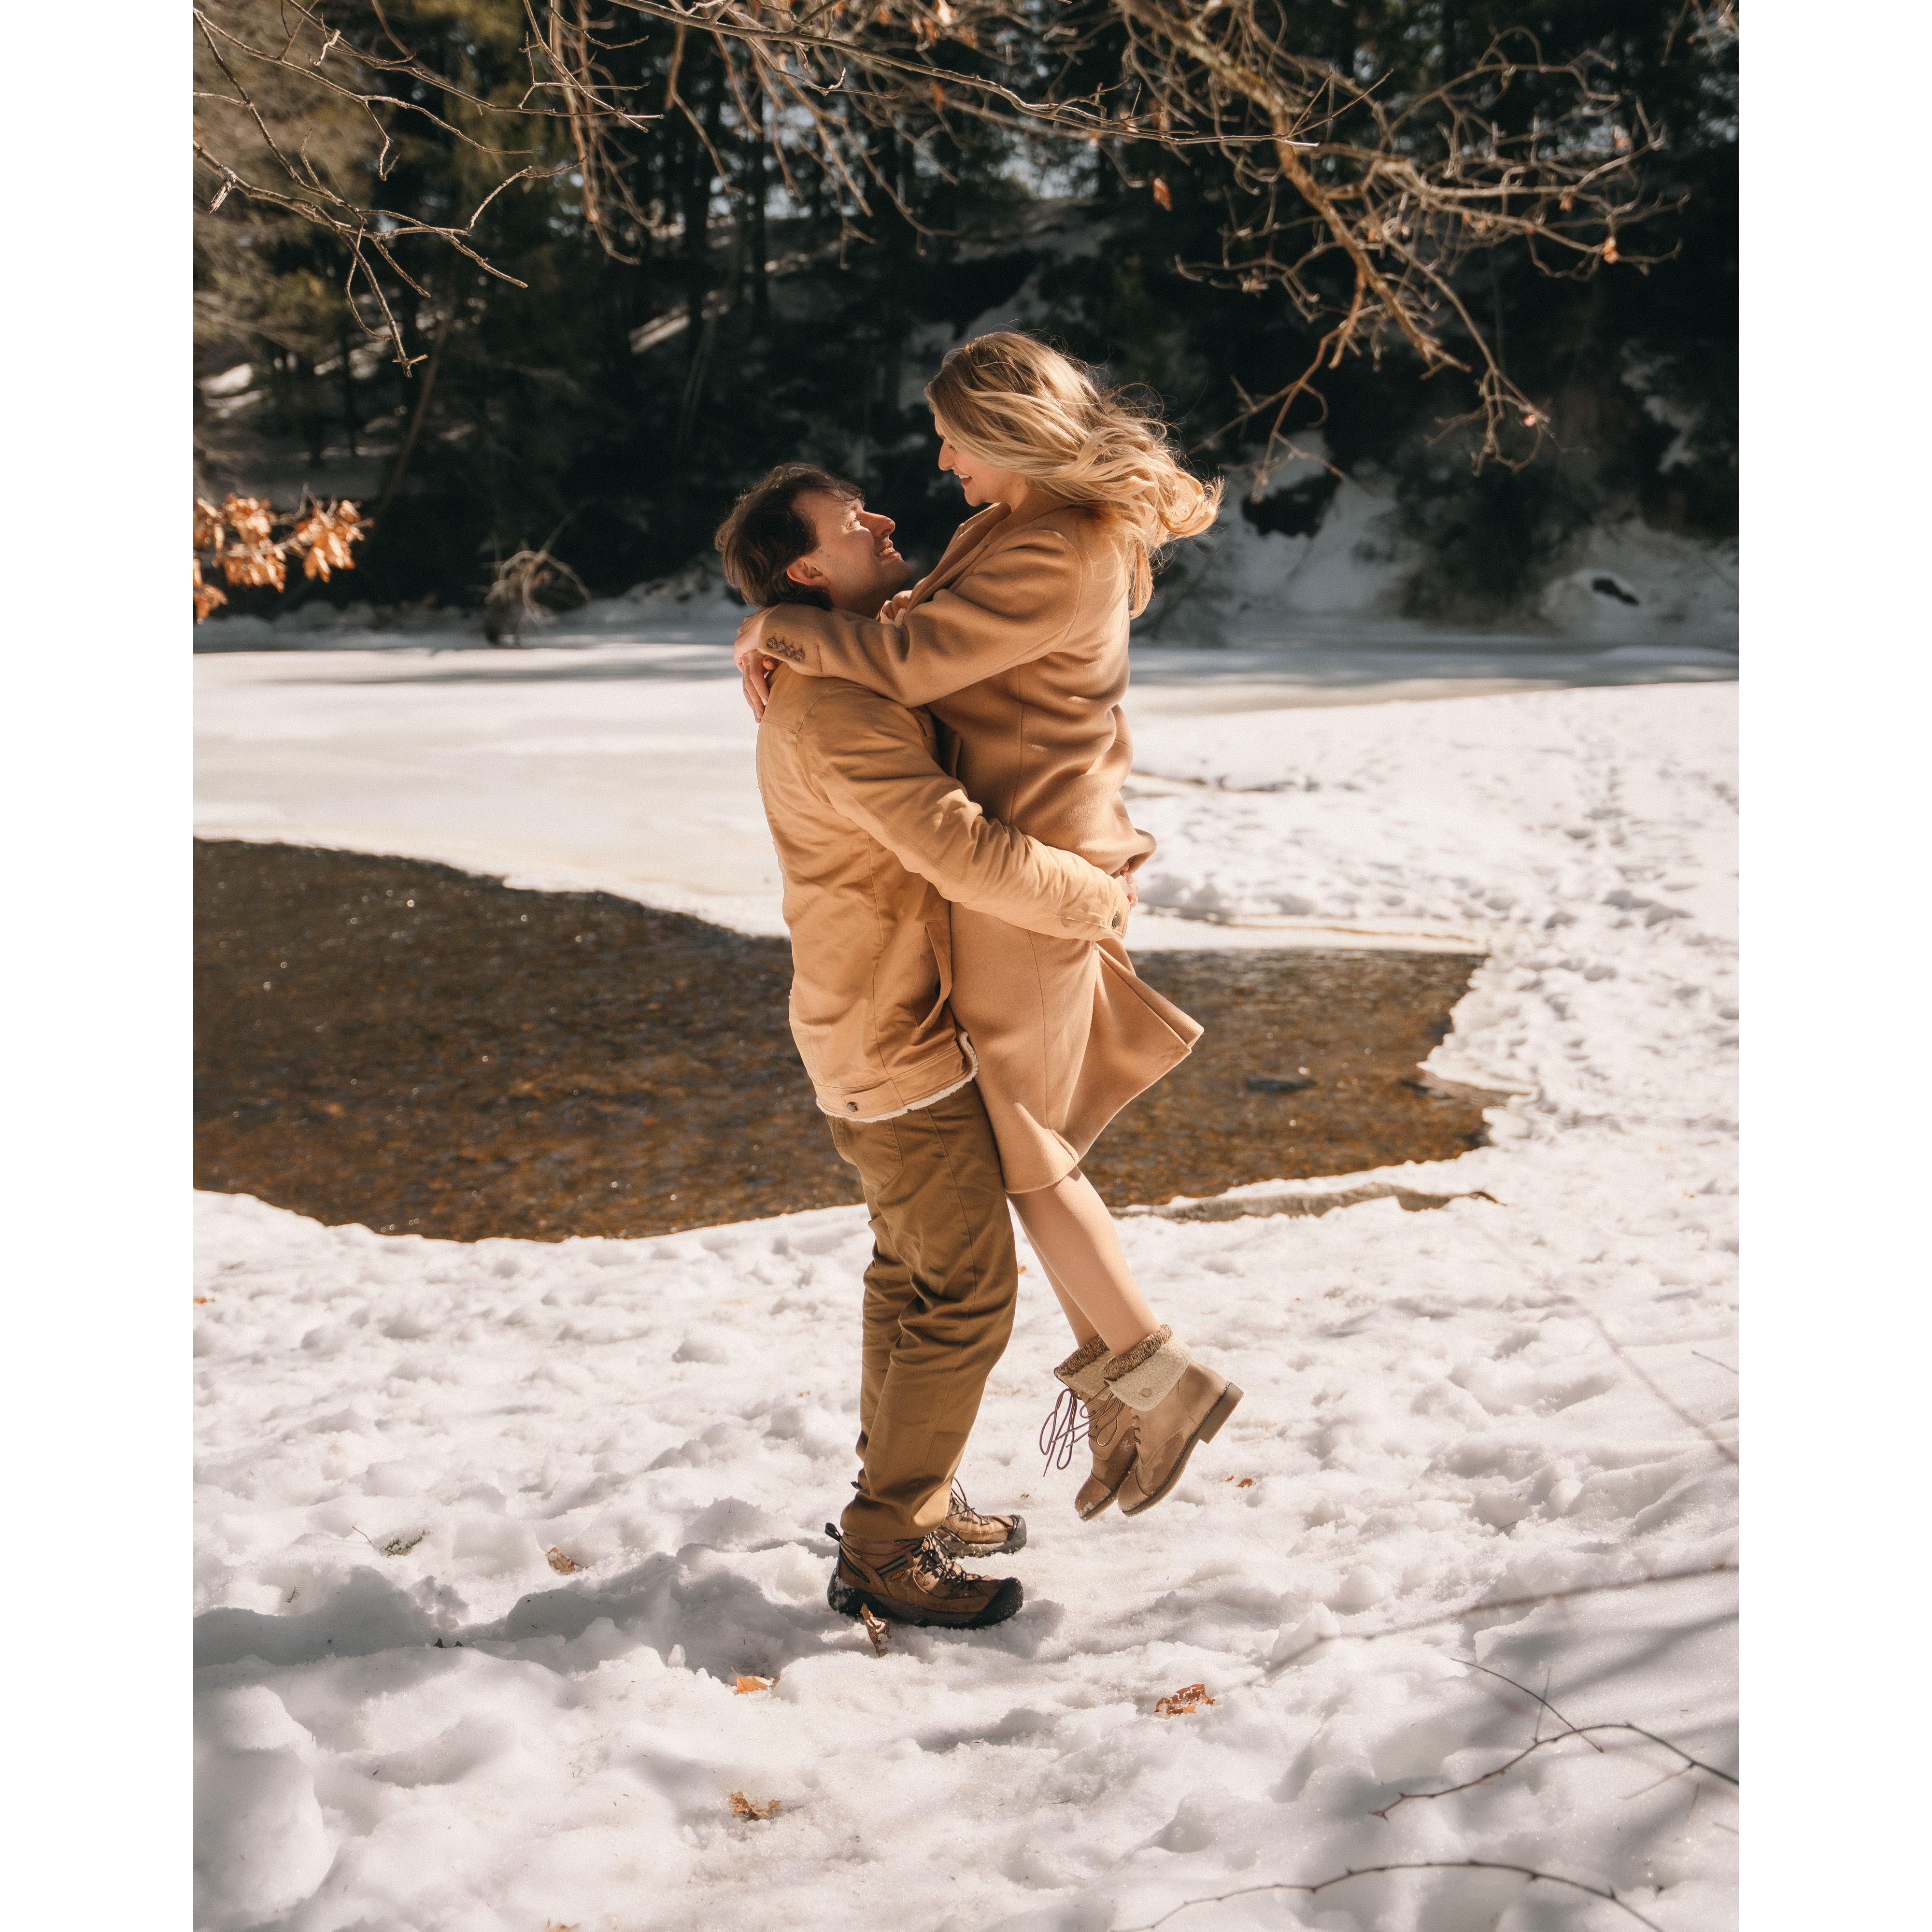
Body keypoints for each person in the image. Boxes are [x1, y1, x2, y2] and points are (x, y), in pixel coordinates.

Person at [731, 335, 1243, 1523]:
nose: (940, 463)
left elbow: (912, 659)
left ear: (1011, 431)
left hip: (1035, 866)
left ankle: (1156, 1382)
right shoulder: (1012, 528)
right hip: (1018, 866)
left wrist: (778, 629)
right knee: (1025, 1147)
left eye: (953, 437)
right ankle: (1129, 1386)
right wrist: (771, 624)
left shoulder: (1059, 545)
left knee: (1024, 1147)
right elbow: (912, 621)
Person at [713, 462, 1138, 1632]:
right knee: (963, 1291)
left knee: (910, 1278)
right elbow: (959, 850)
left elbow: (935, 624)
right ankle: (886, 1545)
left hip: (878, 1024)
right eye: (854, 521)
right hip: (891, 1041)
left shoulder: (844, 661)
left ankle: (911, 1492)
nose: (887, 519)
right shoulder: (834, 707)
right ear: (808, 567)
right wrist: (1095, 900)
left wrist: (770, 625)